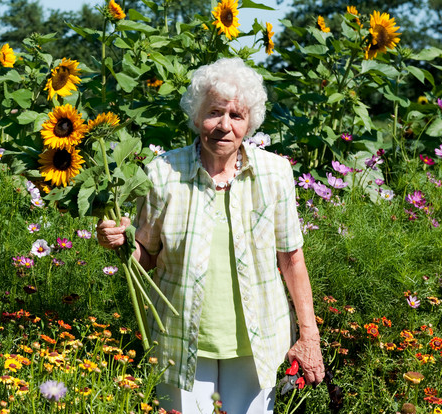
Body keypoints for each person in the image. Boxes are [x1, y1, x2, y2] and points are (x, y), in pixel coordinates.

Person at [97, 57, 324, 414]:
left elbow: (291, 258)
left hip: (257, 340)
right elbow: (147, 256)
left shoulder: (275, 173)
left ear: (250, 123)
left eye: (236, 116)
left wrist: (309, 335)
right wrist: (121, 243)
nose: (224, 126)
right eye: (214, 112)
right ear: (195, 115)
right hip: (179, 337)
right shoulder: (162, 173)